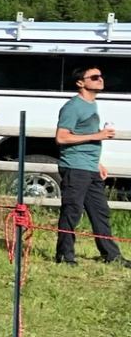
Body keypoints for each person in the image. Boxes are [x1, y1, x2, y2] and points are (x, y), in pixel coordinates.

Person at [54, 64, 123, 266]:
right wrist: (97, 135)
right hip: (75, 167)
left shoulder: (92, 105)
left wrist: (97, 163)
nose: (100, 79)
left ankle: (112, 256)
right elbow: (61, 137)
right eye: (93, 77)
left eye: (100, 76)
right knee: (72, 211)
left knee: (100, 212)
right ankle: (64, 256)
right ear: (80, 83)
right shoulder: (73, 107)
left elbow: (84, 135)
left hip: (89, 167)